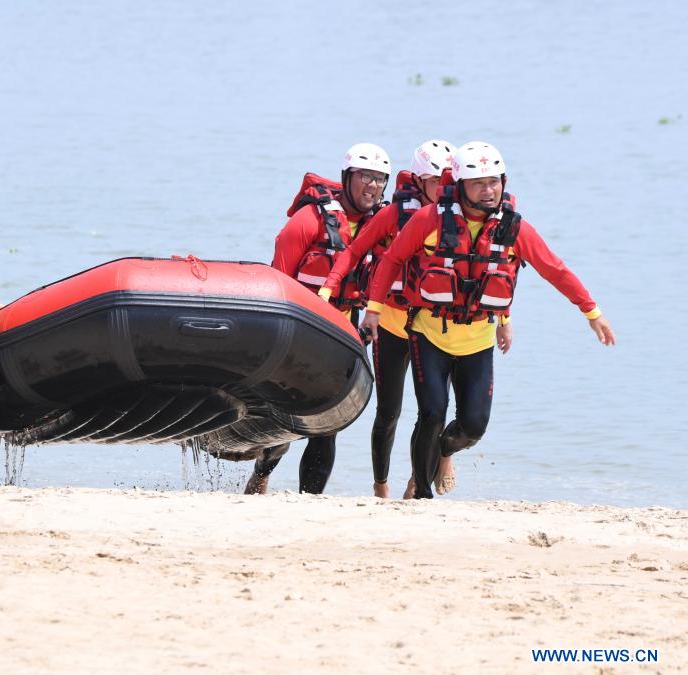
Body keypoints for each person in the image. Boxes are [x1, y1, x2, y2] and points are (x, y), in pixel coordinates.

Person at [359, 141, 615, 500]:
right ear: (460, 185)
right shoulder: (430, 219)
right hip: (429, 332)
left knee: (473, 427)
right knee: (431, 413)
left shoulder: (513, 228)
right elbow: (391, 260)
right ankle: (420, 495)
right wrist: (372, 309)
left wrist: (592, 312)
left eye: (494, 182)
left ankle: (445, 452)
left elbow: (554, 269)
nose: (488, 190)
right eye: (479, 183)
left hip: (477, 339)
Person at [318, 140, 501, 498]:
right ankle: (380, 485)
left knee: (433, 413)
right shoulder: (396, 215)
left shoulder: (463, 218)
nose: (443, 187)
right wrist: (330, 287)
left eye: (448, 179)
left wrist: (504, 319)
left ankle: (421, 478)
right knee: (388, 413)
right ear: (419, 181)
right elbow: (355, 251)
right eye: (436, 181)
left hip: (431, 329)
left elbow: (489, 271)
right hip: (390, 325)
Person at [245, 143, 391, 495]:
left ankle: (310, 500)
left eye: (379, 179)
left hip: (341, 333)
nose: (372, 186)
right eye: (365, 177)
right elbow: (278, 280)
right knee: (285, 420)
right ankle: (262, 475)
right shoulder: (307, 221)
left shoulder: (384, 224)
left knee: (328, 424)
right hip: (297, 333)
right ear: (347, 177)